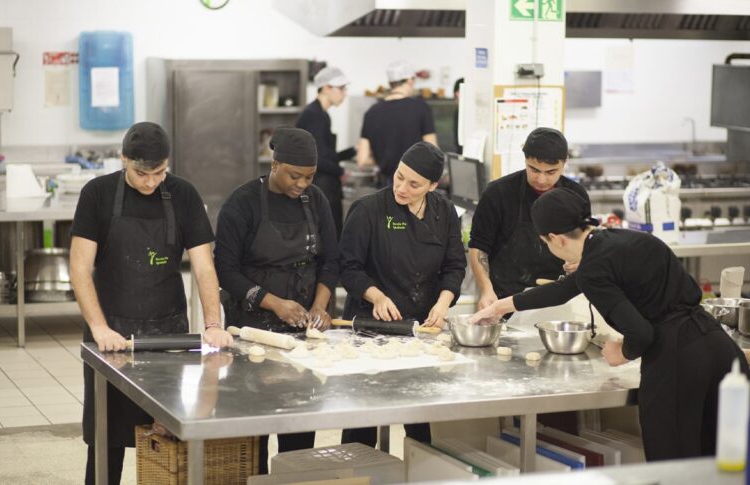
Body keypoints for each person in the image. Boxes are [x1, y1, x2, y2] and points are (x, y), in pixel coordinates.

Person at [470, 187, 748, 461]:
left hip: (678, 364)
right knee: (724, 466)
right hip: (719, 351)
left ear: (556, 239)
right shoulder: (622, 240)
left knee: (674, 469)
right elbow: (562, 290)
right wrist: (499, 307)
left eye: (545, 243)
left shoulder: (593, 269)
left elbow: (642, 334)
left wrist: (621, 352)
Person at [70, 121, 233, 485]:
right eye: (142, 173)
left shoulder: (183, 195)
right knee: (106, 438)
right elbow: (80, 267)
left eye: (159, 172)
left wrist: (212, 323)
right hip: (110, 331)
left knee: (165, 431)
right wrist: (99, 328)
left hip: (166, 334)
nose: (150, 182)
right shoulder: (97, 193)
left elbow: (204, 266)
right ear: (123, 159)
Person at [214, 126, 339, 472]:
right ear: (275, 163)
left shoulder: (317, 201)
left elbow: (330, 260)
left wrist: (320, 305)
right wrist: (274, 303)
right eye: (295, 176)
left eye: (310, 177)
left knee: (299, 425)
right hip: (253, 330)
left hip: (302, 332)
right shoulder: (243, 203)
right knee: (254, 430)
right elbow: (226, 270)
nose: (302, 184)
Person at [339, 141, 466, 446]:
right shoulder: (369, 209)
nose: (402, 187)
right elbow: (348, 267)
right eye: (399, 176)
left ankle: (419, 469)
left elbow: (454, 265)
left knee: (420, 421)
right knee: (364, 420)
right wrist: (376, 296)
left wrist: (443, 302)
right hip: (371, 329)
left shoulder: (445, 213)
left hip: (419, 329)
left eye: (414, 184)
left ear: (433, 186)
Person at [468, 127, 588, 310]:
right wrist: (486, 290)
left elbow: (586, 243)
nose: (541, 179)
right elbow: (478, 247)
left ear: (565, 163)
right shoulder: (498, 193)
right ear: (525, 160)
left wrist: (581, 261)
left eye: (551, 172)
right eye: (534, 169)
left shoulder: (576, 195)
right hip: (505, 300)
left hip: (558, 298)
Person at [357, 60, 438, 187]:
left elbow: (362, 160)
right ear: (410, 80)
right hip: (413, 187)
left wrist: (383, 160)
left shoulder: (372, 112)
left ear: (390, 83)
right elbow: (433, 152)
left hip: (384, 188)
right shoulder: (421, 108)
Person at [296, 66, 356, 238]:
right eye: (341, 89)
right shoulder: (315, 116)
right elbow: (318, 159)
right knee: (327, 236)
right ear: (326, 88)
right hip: (321, 186)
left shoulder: (319, 114)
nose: (344, 94)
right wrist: (341, 171)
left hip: (324, 185)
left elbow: (326, 154)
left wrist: (352, 151)